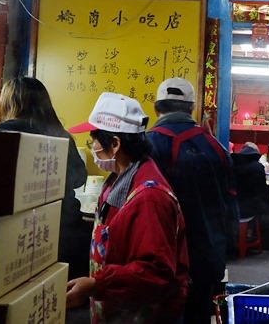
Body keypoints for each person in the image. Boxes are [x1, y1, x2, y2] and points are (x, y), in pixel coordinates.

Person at [66, 92, 189, 323]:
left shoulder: (149, 198)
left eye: (93, 139)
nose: (92, 146)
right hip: (119, 307)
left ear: (114, 144)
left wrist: (96, 284)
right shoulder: (117, 179)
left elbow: (156, 272)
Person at [146, 77, 238, 324]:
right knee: (197, 315)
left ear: (156, 108)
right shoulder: (217, 147)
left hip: (162, 260)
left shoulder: (147, 145)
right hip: (207, 257)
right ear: (191, 108)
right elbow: (230, 205)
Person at [0, 77, 90, 280]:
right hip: (64, 225)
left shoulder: (4, 134)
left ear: (10, 102)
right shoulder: (60, 135)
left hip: (20, 230)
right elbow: (79, 177)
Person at [232, 142, 268, 220]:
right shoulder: (259, 167)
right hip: (251, 210)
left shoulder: (232, 165)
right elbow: (263, 189)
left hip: (233, 208)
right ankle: (252, 229)